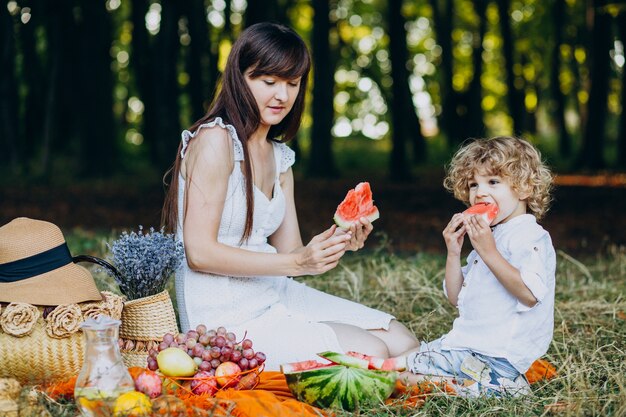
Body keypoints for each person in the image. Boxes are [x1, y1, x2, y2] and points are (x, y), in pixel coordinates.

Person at [161, 22, 418, 371]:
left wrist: (341, 240)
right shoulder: (214, 141)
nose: (282, 95)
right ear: (240, 78)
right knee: (373, 352)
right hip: (222, 313)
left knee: (403, 340)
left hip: (274, 292)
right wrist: (297, 263)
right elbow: (199, 253)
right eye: (268, 82)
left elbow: (292, 253)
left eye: (292, 84)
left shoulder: (280, 158)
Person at [396, 136, 556, 396]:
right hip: (469, 348)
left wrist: (488, 250)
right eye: (473, 185)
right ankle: (483, 385)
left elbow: (530, 295)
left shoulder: (528, 236)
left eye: (493, 182)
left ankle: (489, 387)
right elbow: (456, 297)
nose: (479, 193)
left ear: (525, 188)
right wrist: (453, 252)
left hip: (496, 355)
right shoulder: (493, 234)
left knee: (400, 378)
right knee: (403, 360)